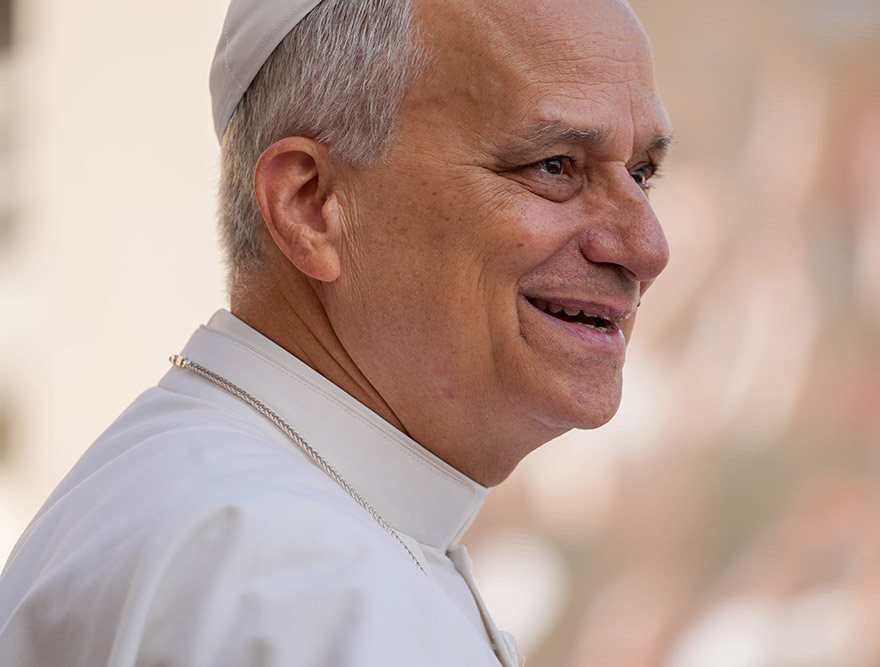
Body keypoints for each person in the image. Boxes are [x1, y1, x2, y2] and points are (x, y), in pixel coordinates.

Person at [0, 0, 671, 663]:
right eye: (555, 166)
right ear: (311, 206)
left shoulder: (237, 507)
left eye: (641, 174)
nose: (647, 246)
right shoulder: (301, 580)